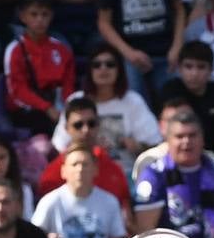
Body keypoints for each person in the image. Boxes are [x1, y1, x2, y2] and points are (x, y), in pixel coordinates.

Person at [132, 112, 214, 238]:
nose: (186, 141)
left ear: (202, 138)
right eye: (179, 136)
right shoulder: (154, 175)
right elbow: (145, 232)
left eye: (192, 135)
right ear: (167, 140)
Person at [52, 44, 161, 176]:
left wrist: (137, 146)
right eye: (97, 65)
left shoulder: (133, 101)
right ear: (90, 71)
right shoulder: (75, 100)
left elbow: (156, 146)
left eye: (110, 64)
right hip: (83, 175)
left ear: (119, 70)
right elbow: (60, 146)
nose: (103, 69)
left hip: (126, 174)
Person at [152, 40, 214, 156]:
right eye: (188, 67)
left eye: (201, 67)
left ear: (211, 70)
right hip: (179, 157)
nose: (194, 73)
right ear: (179, 68)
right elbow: (163, 133)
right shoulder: (170, 91)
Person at [35, 98, 133, 206]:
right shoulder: (52, 174)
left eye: (91, 124)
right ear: (66, 128)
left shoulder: (114, 169)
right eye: (78, 125)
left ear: (98, 125)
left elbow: (125, 213)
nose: (86, 130)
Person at [3, 0, 75, 137]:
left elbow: (68, 87)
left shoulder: (62, 49)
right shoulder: (15, 49)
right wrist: (46, 108)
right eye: (34, 15)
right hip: (26, 111)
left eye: (45, 15)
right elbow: (18, 91)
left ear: (51, 16)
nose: (40, 20)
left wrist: (69, 110)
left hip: (56, 109)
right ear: (23, 17)